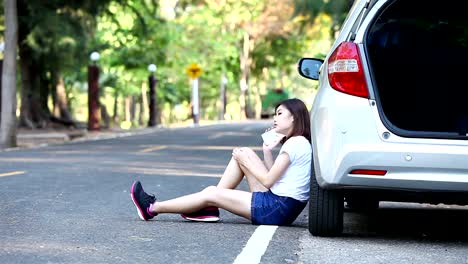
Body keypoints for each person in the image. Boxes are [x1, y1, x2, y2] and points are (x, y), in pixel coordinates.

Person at [130, 98, 312, 226]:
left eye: (279, 114)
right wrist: (266, 150)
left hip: (276, 209)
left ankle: (152, 208)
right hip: (281, 206)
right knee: (243, 153)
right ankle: (209, 208)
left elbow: (268, 181)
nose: (274, 118)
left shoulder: (295, 143)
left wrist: (247, 163)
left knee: (211, 192)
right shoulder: (298, 142)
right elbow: (277, 180)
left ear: (294, 117)